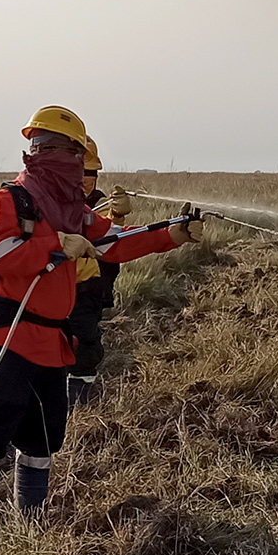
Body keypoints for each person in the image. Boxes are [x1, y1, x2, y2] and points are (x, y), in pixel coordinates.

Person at [0, 106, 99, 516]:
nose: (57, 155)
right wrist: (57, 245)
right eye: (43, 145)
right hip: (4, 333)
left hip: (50, 341)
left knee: (44, 437)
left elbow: (114, 240)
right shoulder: (9, 200)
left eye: (65, 149)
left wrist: (171, 234)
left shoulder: (72, 212)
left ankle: (30, 522)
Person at [65, 136, 200, 406]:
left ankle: (72, 411)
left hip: (84, 294)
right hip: (29, 311)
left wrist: (173, 234)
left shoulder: (84, 211)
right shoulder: (22, 204)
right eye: (80, 171)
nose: (86, 178)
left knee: (85, 350)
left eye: (91, 173)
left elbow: (115, 243)